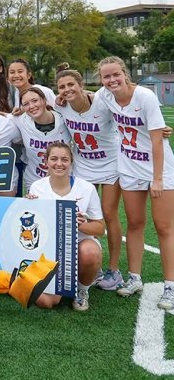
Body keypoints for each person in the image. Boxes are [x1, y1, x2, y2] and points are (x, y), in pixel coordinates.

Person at [96, 56, 174, 309]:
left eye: (116, 74)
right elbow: (85, 101)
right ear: (101, 79)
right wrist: (60, 100)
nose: (112, 80)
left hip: (157, 168)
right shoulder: (104, 96)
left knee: (163, 227)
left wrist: (157, 179)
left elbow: (157, 141)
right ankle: (135, 278)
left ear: (124, 73)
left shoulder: (145, 97)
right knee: (135, 223)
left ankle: (170, 286)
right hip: (129, 167)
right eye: (106, 76)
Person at [54, 67, 123, 291]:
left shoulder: (102, 103)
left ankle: (114, 269)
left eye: (70, 85)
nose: (66, 90)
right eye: (62, 87)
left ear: (81, 84)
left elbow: (128, 116)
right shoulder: (60, 105)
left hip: (110, 164)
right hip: (84, 165)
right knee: (85, 215)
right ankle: (94, 266)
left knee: (109, 214)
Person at [27, 142, 104, 311]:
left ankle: (82, 290)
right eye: (54, 159)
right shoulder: (37, 187)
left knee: (90, 252)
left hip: (79, 245)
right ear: (46, 161)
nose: (59, 164)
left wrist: (79, 225)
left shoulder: (86, 188)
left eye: (64, 159)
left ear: (71, 162)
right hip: (49, 250)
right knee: (46, 302)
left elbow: (100, 229)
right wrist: (27, 206)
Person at [11, 87, 70, 192]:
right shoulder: (20, 120)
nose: (31, 106)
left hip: (64, 178)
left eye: (35, 100)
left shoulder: (64, 118)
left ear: (44, 100)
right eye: (26, 104)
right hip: (35, 179)